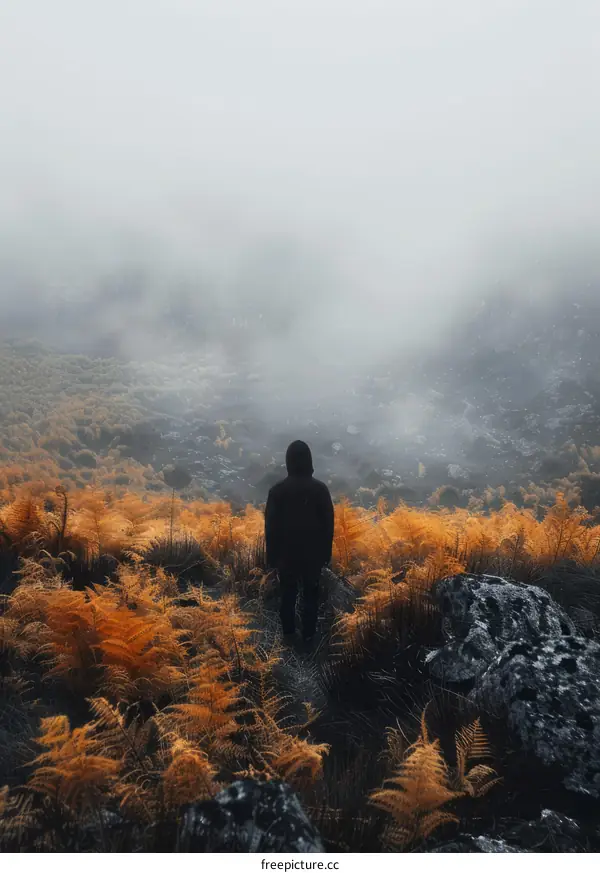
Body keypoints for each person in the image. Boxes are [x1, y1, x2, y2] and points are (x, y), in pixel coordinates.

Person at [264, 440, 335, 643]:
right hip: (313, 555)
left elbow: (271, 528)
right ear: (309, 461)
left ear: (288, 461)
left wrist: (272, 558)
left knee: (287, 595)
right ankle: (309, 637)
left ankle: (288, 636)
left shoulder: (277, 491)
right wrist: (326, 554)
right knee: (310, 597)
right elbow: (328, 526)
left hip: (286, 555)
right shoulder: (320, 490)